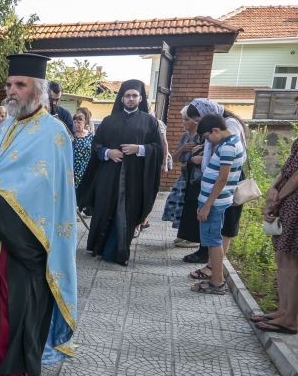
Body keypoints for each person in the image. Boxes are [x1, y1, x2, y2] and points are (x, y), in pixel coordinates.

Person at [0, 53, 77, 376]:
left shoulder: (54, 133)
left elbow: (44, 190)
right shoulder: (7, 125)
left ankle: (9, 370)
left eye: (19, 85)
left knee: (15, 300)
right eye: (9, 84)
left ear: (38, 90)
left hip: (24, 235)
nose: (11, 91)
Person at [77, 79, 163, 266]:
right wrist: (108, 152)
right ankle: (97, 247)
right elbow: (96, 145)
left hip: (134, 177)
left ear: (141, 98)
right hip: (108, 175)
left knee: (127, 211)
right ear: (121, 98)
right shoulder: (109, 121)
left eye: (134, 96)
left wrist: (139, 149)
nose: (131, 99)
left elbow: (158, 148)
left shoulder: (150, 122)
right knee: (104, 208)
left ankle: (118, 251)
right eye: (127, 96)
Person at [183, 99, 248, 279]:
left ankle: (216, 279)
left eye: (206, 136)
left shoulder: (229, 139)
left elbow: (223, 177)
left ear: (215, 130)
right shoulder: (225, 138)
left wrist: (207, 205)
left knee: (217, 237)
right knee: (214, 238)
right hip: (216, 196)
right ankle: (214, 275)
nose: (207, 141)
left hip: (220, 196)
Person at [255, 95, 298, 334]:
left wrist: (277, 199)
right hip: (287, 201)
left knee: (292, 259)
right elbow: (286, 170)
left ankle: (291, 318)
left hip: (294, 202)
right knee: (282, 257)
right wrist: (273, 188)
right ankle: (283, 310)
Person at [164, 106, 200, 245]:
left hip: (195, 179)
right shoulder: (185, 136)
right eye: (183, 119)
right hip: (184, 177)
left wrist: (190, 162)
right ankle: (183, 232)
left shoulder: (201, 136)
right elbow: (175, 158)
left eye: (186, 119)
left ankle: (191, 237)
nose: (183, 122)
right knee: (178, 204)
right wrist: (183, 149)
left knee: (190, 207)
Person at [71, 107, 93, 189]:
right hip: (72, 174)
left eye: (79, 121)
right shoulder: (70, 136)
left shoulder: (90, 136)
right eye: (75, 121)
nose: (76, 124)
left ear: (85, 122)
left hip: (86, 173)